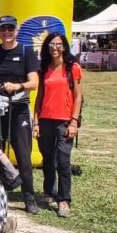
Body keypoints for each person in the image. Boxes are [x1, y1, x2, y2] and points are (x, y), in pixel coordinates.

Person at [0, 15, 40, 214]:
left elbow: (34, 82)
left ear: (16, 31)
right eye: (3, 29)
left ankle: (29, 197)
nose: (6, 32)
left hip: (19, 109)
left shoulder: (26, 51)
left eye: (10, 28)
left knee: (23, 154)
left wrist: (17, 86)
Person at [33, 33, 83, 218]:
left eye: (58, 44)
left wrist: (74, 122)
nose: (55, 48)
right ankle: (48, 192)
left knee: (63, 161)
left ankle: (64, 200)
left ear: (64, 47)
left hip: (64, 121)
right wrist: (36, 121)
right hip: (45, 120)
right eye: (51, 44)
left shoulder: (73, 68)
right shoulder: (44, 69)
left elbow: (78, 97)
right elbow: (39, 97)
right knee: (47, 159)